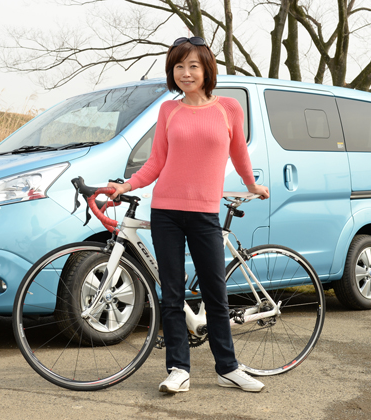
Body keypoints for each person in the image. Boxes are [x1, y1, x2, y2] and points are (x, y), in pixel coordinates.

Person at [108, 36, 270, 394]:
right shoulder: (169, 110)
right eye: (178, 66)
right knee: (172, 293)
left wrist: (251, 184)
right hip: (166, 209)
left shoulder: (228, 108)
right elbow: (156, 161)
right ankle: (178, 369)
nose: (185, 73)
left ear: (206, 69)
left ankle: (227, 368)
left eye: (193, 66)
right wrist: (126, 185)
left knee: (216, 292)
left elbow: (239, 152)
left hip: (204, 214)